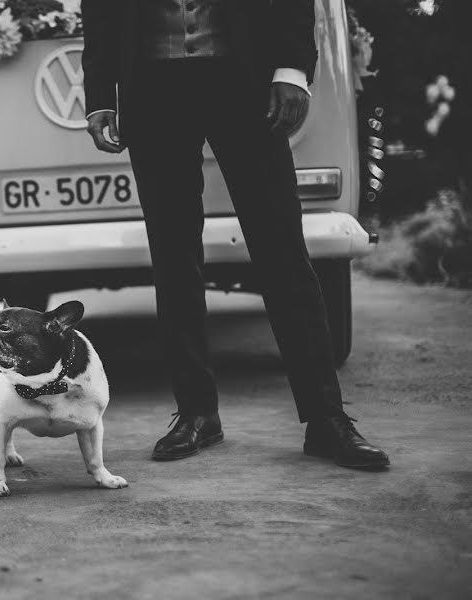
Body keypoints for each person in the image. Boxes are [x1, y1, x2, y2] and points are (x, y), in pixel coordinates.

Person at [81, 0, 390, 470]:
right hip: (150, 83)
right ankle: (197, 412)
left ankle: (326, 419)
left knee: (282, 251)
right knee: (173, 254)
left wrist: (290, 68)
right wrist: (102, 92)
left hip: (243, 74)